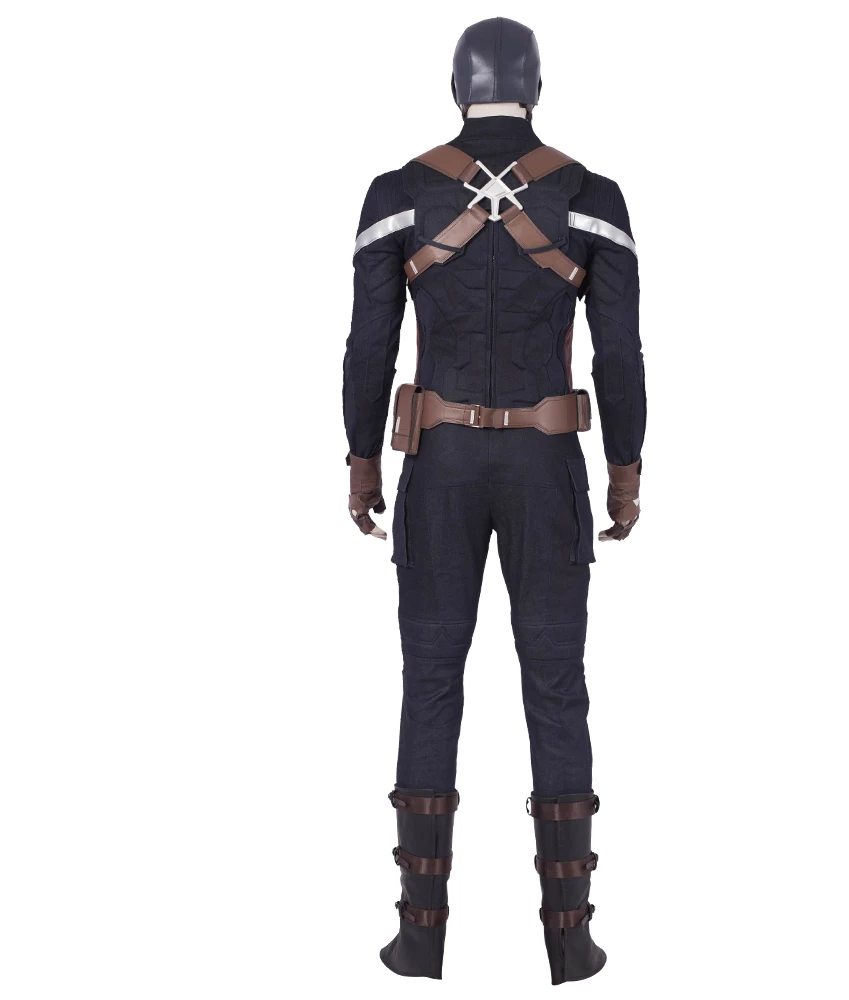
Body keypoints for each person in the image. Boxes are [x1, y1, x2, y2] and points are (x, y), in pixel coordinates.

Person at [342, 17, 645, 984]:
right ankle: (571, 942)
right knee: (556, 685)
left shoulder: (397, 194)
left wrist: (361, 460)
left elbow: (368, 346)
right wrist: (626, 469)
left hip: (438, 466)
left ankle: (419, 938)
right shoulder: (592, 198)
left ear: (455, 86)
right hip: (546, 469)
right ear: (537, 86)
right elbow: (621, 352)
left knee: (430, 680)